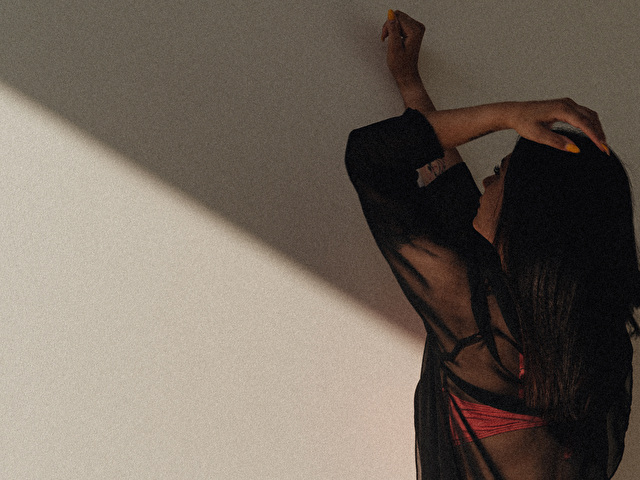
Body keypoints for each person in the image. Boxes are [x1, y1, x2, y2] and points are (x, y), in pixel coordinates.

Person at [345, 10, 639, 480]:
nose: (486, 180)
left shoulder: (482, 329)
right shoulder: (587, 329)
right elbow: (456, 205)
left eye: (500, 173)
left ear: (526, 219)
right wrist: (411, 85)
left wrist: (507, 114)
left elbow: (370, 158)